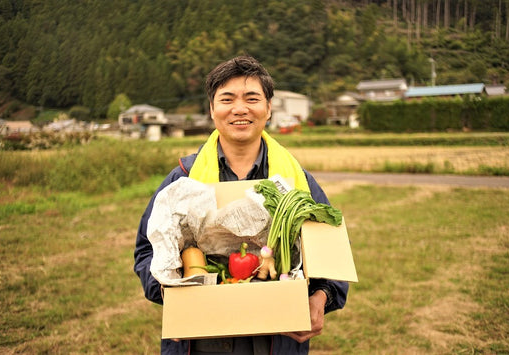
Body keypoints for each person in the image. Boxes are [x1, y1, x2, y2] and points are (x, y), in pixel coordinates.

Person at [134, 55, 349, 355]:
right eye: (227, 99)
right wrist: (170, 292)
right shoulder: (183, 180)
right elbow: (146, 251)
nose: (239, 109)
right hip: (201, 340)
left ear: (269, 108)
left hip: (276, 338)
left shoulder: (295, 179)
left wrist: (321, 297)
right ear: (212, 109)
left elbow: (331, 255)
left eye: (252, 98)